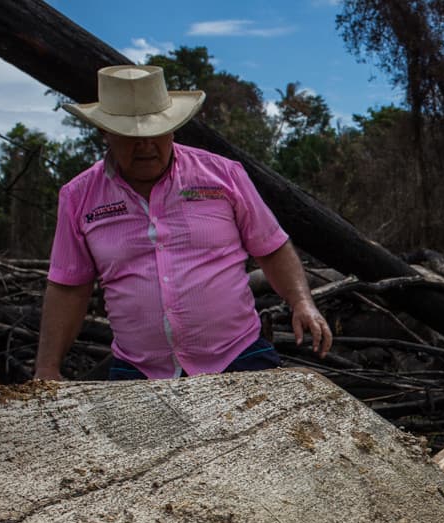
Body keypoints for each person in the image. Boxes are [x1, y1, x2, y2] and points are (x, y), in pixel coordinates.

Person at [34, 65, 331, 381]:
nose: (145, 145)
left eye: (155, 133)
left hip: (236, 354)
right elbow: (69, 286)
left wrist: (301, 302)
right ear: (105, 133)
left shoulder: (223, 175)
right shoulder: (79, 196)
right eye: (132, 136)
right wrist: (47, 367)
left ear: (172, 128)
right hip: (139, 369)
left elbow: (270, 246)